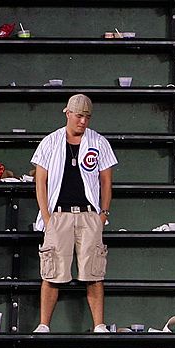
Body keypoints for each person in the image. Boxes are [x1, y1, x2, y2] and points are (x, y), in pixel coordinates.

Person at [31, 94, 118, 333]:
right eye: (79, 115)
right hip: (59, 214)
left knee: (94, 273)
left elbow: (106, 181)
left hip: (89, 214)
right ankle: (44, 324)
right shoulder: (50, 142)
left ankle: (99, 324)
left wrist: (103, 214)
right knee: (51, 273)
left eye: (87, 117)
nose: (82, 121)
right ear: (67, 113)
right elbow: (40, 181)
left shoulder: (98, 142)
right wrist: (47, 216)